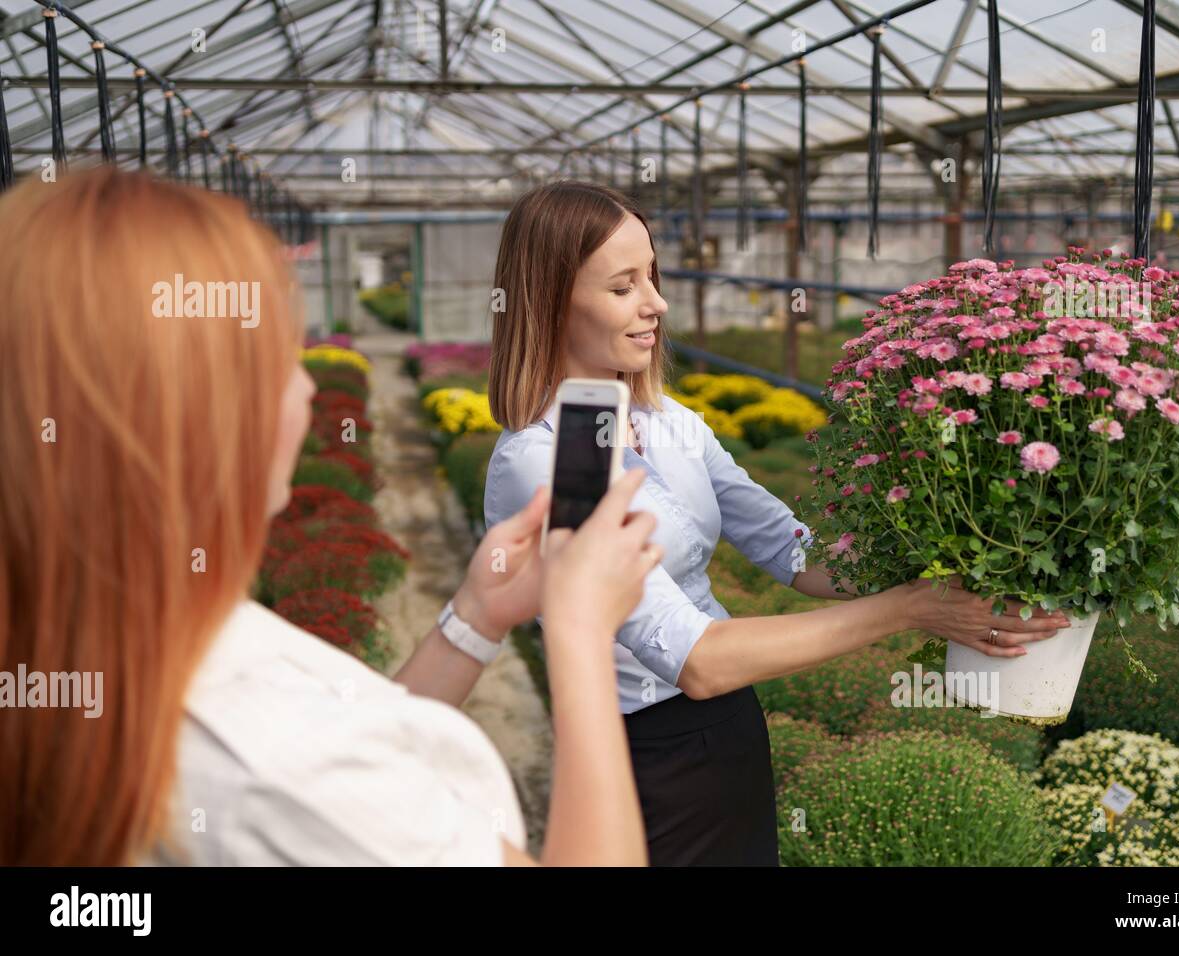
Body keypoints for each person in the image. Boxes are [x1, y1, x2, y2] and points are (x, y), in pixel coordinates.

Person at [0, 166, 659, 867]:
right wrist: (582, 633)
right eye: (280, 360)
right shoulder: (281, 773)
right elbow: (319, 777)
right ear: (195, 421)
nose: (311, 386)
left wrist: (476, 617)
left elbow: (356, 741)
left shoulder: (94, 650)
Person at [484, 180, 1071, 866]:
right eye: (623, 287)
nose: (657, 304)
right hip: (644, 760)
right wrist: (912, 609)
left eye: (653, 276)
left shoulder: (671, 424)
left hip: (729, 731)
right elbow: (696, 661)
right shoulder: (542, 464)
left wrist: (956, 553)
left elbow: (792, 551)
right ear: (551, 299)